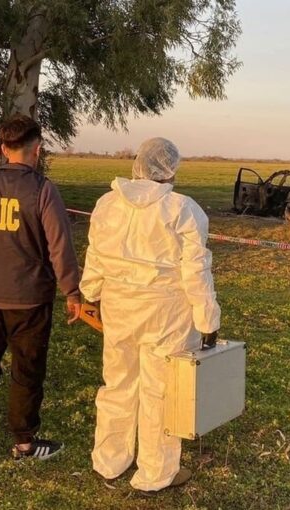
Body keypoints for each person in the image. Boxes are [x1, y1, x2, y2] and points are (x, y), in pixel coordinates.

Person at [80, 137, 221, 492]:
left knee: (118, 383)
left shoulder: (107, 204)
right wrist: (208, 320)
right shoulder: (182, 209)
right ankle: (155, 474)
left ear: (138, 163)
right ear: (169, 168)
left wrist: (90, 292)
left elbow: (95, 254)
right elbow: (195, 270)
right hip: (167, 314)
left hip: (119, 308)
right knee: (160, 391)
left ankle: (110, 460)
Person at [0, 114, 82, 460]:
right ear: (37, 149)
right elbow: (60, 247)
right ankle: (25, 443)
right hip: (30, 300)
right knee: (26, 369)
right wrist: (72, 291)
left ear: (2, 148)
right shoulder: (43, 190)